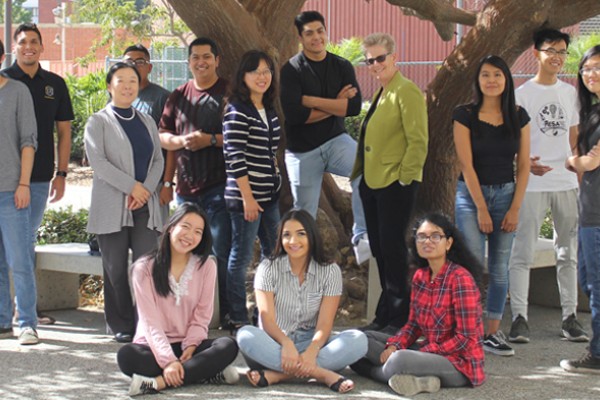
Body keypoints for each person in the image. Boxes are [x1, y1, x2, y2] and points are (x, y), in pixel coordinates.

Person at [508, 29, 588, 344]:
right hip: (533, 183)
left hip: (565, 182)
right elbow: (513, 141)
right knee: (523, 251)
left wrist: (578, 182)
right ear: (537, 52)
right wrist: (523, 163)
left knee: (567, 252)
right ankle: (519, 318)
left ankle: (570, 318)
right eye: (550, 50)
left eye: (562, 52)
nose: (557, 57)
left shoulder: (570, 94)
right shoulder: (521, 94)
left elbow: (574, 141)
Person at [350, 213, 485, 396]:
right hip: (427, 352)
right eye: (421, 236)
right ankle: (419, 381)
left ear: (448, 243)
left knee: (399, 360)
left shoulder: (461, 279)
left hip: (459, 363)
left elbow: (465, 339)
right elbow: (413, 325)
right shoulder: (421, 277)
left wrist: (423, 351)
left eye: (435, 236)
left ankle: (382, 372)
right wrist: (395, 345)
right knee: (359, 342)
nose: (427, 241)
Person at [236, 209, 367, 393]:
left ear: (312, 236)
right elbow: (267, 321)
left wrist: (313, 350)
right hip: (275, 343)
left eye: (301, 234)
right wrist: (287, 344)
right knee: (245, 335)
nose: (293, 241)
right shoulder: (268, 268)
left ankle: (279, 375)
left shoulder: (330, 271)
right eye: (286, 235)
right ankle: (322, 374)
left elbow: (324, 323)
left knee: (359, 340)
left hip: (312, 342)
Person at [117, 203, 239, 396]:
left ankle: (157, 383)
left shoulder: (207, 266)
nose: (190, 236)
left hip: (190, 346)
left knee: (227, 345)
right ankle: (205, 373)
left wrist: (190, 347)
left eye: (198, 231)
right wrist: (169, 361)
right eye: (186, 227)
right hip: (152, 346)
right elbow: (150, 323)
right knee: (126, 356)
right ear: (171, 227)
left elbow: (202, 316)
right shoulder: (144, 268)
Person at [453, 55, 531, 356]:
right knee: (472, 267)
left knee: (499, 268)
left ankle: (492, 333)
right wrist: (481, 208)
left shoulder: (519, 115)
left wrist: (514, 207)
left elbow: (523, 165)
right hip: (470, 198)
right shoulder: (464, 114)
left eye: (498, 75)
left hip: (507, 195)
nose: (491, 81)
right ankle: (468, 332)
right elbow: (465, 163)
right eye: (485, 75)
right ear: (478, 80)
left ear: (506, 80)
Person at [351, 33, 428, 333]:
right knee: (381, 250)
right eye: (369, 60)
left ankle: (399, 318)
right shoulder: (384, 92)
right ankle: (386, 312)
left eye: (380, 58)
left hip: (394, 184)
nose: (375, 64)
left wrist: (403, 178)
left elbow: (418, 142)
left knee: (393, 251)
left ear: (394, 57)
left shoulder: (406, 91)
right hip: (372, 184)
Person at [280, 11, 369, 263]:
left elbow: (352, 108)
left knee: (366, 169)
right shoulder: (291, 69)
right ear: (300, 37)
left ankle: (361, 237)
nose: (316, 37)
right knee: (304, 213)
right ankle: (302, 266)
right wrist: (335, 103)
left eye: (320, 31)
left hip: (335, 142)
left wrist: (311, 101)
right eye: (309, 33)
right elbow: (296, 116)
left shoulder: (341, 66)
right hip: (302, 151)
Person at [84, 62, 164, 342]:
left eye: (133, 80)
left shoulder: (146, 121)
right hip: (111, 207)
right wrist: (132, 187)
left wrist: (145, 190)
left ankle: (145, 323)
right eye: (121, 80)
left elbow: (158, 160)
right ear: (109, 86)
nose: (128, 86)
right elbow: (99, 164)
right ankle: (120, 324)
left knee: (146, 267)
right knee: (115, 268)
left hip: (144, 207)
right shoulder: (98, 122)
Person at [2, 23, 74, 326]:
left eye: (34, 41)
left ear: (42, 47)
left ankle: (24, 310)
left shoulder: (55, 83)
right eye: (23, 42)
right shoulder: (7, 81)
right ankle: (15, 311)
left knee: (23, 243)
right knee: (12, 248)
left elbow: (64, 132)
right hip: (8, 176)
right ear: (14, 48)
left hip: (41, 176)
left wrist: (62, 173)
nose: (28, 46)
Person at [159, 37, 232, 326]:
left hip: (220, 187)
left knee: (219, 252)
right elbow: (163, 136)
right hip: (185, 191)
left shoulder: (229, 93)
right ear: (188, 61)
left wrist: (209, 140)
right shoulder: (178, 95)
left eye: (206, 56)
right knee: (185, 253)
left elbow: (241, 139)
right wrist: (179, 141)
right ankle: (188, 313)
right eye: (195, 57)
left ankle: (223, 311)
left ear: (217, 60)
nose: (201, 62)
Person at [222, 50, 282, 328]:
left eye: (266, 71)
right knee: (242, 257)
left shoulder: (268, 109)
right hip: (246, 198)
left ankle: (265, 315)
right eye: (255, 71)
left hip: (270, 197)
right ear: (242, 76)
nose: (262, 77)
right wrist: (247, 197)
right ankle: (236, 317)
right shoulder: (236, 110)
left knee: (276, 256)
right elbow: (234, 157)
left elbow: (270, 152)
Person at [561, 45, 600, 374]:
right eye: (587, 69)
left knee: (597, 287)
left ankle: (598, 355)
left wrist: (575, 161)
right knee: (588, 281)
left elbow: (588, 161)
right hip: (589, 210)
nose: (591, 74)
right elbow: (582, 160)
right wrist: (579, 161)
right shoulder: (592, 113)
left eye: (598, 67)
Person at [0, 39, 39, 345]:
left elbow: (29, 141)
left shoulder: (17, 91)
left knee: (20, 261)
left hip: (12, 191)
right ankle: (2, 321)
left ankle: (27, 322)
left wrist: (24, 183)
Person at [123, 44, 173, 221]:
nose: (134, 65)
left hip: (154, 183)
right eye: (129, 61)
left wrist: (167, 184)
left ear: (149, 67)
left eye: (140, 61)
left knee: (155, 239)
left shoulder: (163, 97)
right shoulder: (116, 97)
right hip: (123, 183)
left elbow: (170, 146)